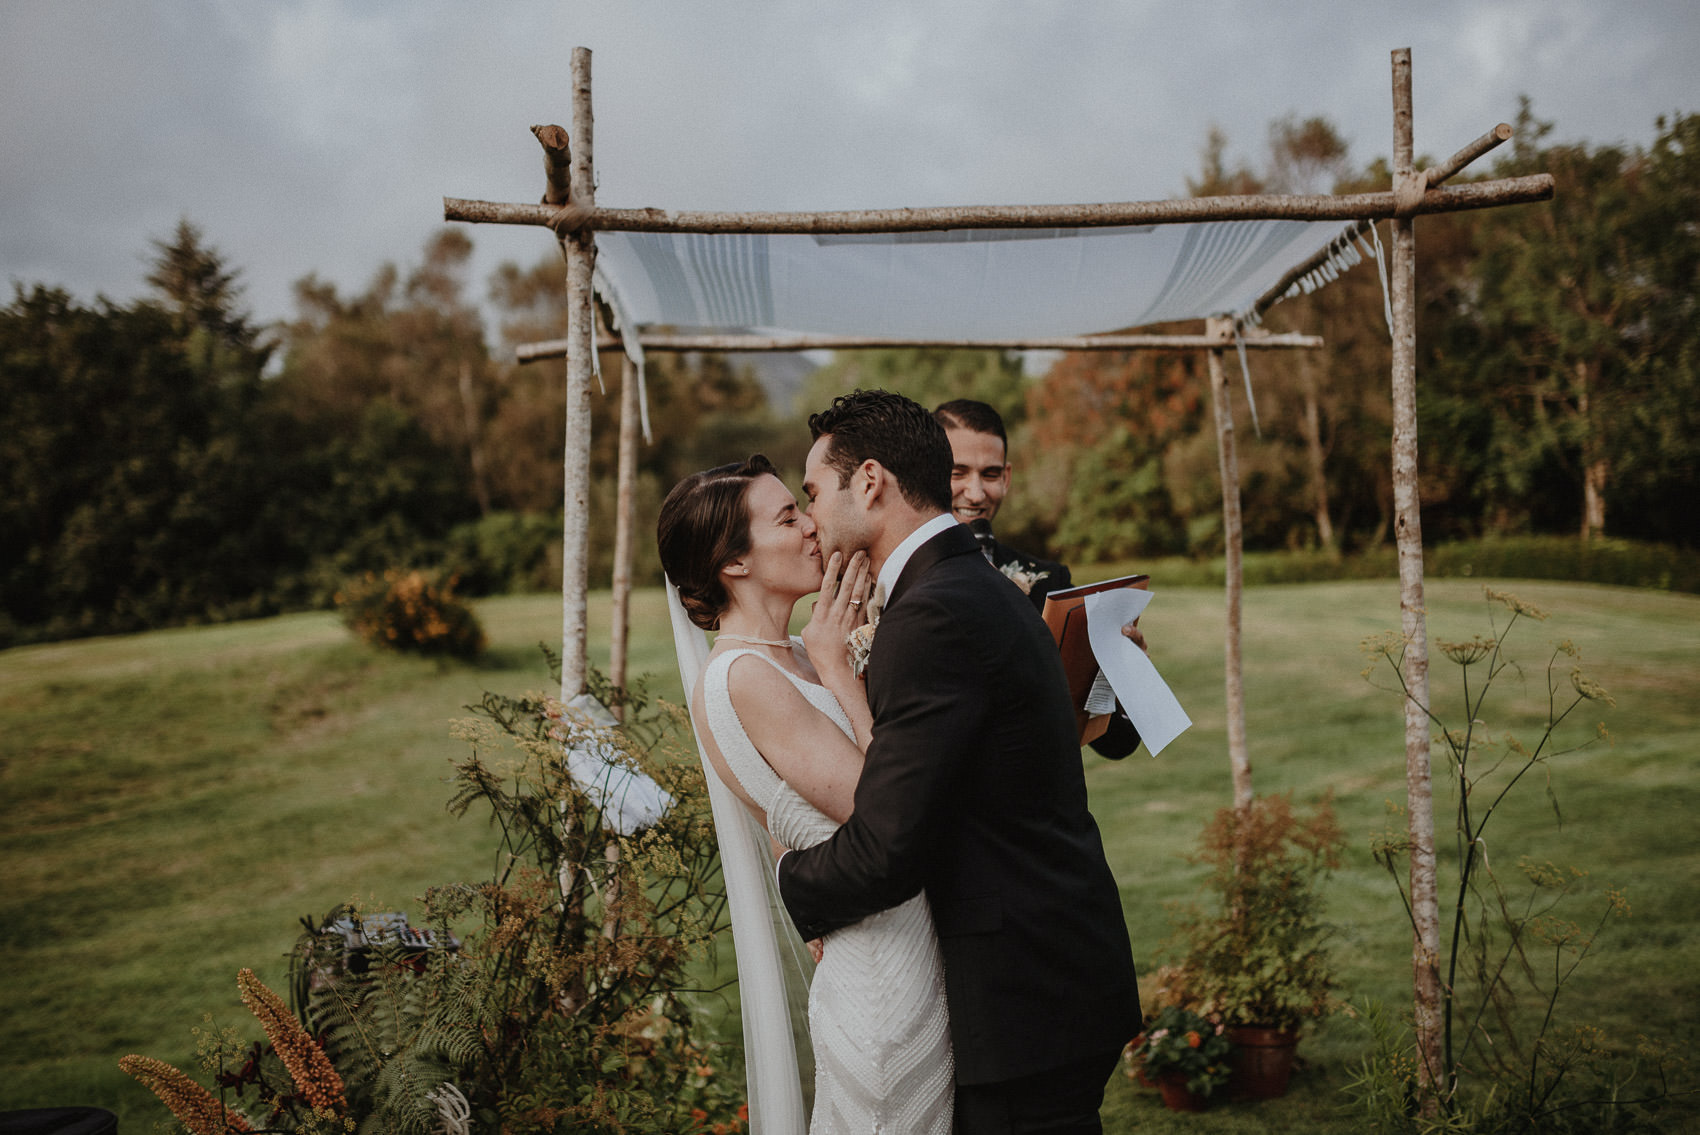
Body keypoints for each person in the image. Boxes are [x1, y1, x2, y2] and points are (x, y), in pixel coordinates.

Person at [780, 390, 1140, 1135]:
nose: (810, 515)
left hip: (1024, 999)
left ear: (870, 481)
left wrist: (786, 876)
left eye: (814, 492)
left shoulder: (931, 613)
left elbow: (888, 846)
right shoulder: (966, 586)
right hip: (1053, 974)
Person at [658, 454, 955, 1135]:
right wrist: (838, 670)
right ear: (732, 562)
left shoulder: (790, 651)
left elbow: (782, 817)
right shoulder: (743, 677)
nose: (813, 526)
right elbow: (887, 805)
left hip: (899, 927)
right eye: (788, 517)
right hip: (882, 969)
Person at [934, 398, 1144, 759]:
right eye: (958, 472)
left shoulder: (1049, 582)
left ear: (1008, 477)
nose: (976, 492)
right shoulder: (891, 578)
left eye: (990, 474)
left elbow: (1117, 744)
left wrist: (1124, 674)